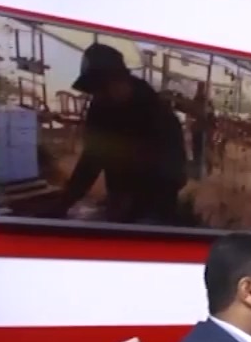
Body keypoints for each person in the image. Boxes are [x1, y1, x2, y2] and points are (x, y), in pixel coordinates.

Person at [57, 43, 190, 226]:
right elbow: (91, 159)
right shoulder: (101, 107)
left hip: (154, 208)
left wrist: (136, 201)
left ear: (120, 80)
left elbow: (176, 174)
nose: (98, 96)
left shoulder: (158, 114)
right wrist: (64, 203)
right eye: (95, 91)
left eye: (101, 88)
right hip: (120, 200)